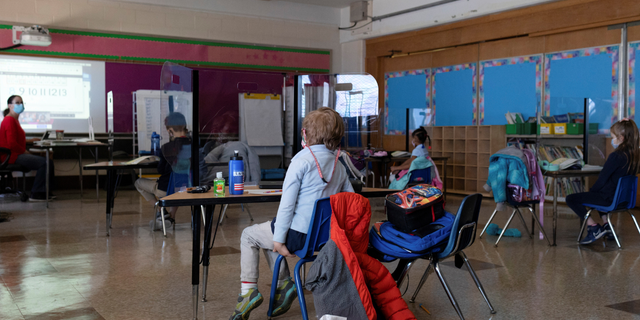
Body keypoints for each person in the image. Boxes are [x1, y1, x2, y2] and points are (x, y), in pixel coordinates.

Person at [229, 107, 354, 320]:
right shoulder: (339, 166)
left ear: (306, 134)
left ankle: (248, 291)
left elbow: (287, 205)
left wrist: (279, 240)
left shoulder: (301, 160)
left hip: (296, 235)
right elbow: (349, 202)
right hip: (325, 240)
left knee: (250, 235)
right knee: (268, 233)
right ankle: (284, 284)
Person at [567, 119, 640, 245]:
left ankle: (593, 227)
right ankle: (607, 226)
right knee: (599, 195)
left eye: (613, 137)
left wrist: (591, 192)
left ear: (621, 138)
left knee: (571, 199)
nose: (612, 141)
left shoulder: (616, 156)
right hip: (624, 200)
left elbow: (602, 179)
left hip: (610, 199)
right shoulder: (635, 157)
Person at [134, 112, 191, 231]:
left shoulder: (166, 148)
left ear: (170, 130)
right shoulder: (194, 145)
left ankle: (162, 210)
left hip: (166, 190)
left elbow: (161, 170)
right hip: (189, 188)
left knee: (138, 182)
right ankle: (171, 217)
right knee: (178, 185)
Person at [0, 95, 54, 201]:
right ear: (9, 105)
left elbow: (15, 140)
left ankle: (46, 192)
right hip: (11, 156)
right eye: (17, 102)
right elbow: (11, 144)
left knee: (49, 161)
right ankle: (36, 193)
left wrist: (29, 142)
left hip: (16, 154)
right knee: (45, 163)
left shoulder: (15, 120)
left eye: (21, 102)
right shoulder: (9, 120)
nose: (21, 105)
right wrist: (25, 152)